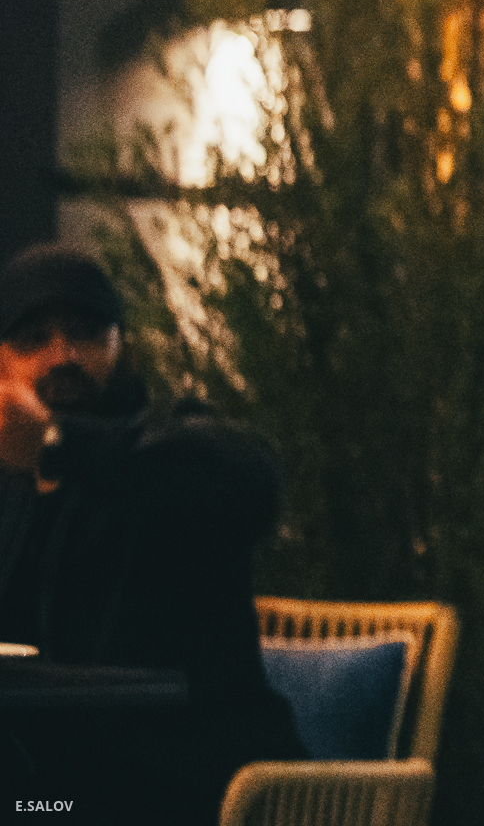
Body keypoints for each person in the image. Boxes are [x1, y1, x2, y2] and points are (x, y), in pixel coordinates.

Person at [0, 243, 304, 822]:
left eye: (86, 332)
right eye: (33, 338)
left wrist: (55, 442)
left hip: (183, 780)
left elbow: (252, 479)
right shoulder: (10, 490)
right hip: (58, 784)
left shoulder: (170, 450)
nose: (63, 355)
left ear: (126, 349)